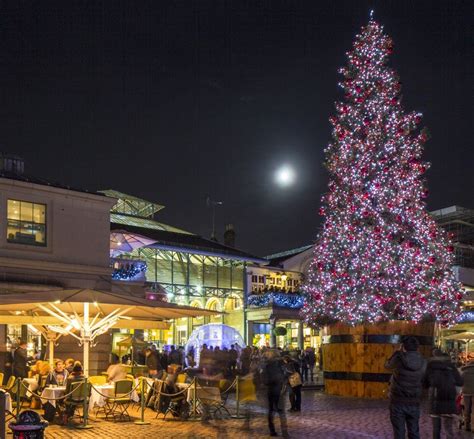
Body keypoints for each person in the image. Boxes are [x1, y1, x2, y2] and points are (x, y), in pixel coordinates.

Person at [385, 336, 426, 439]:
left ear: (403, 346)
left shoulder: (399, 358)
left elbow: (387, 365)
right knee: (414, 431)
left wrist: (396, 352)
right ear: (417, 347)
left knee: (399, 432)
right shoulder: (423, 361)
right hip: (414, 401)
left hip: (398, 401)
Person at [423, 348, 463, 439]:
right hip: (449, 400)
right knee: (449, 428)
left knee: (436, 428)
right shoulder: (451, 366)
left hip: (435, 400)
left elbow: (424, 383)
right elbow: (460, 381)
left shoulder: (431, 366)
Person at [263, 349, 288, 438]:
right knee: (280, 411)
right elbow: (285, 375)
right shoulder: (281, 364)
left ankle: (272, 430)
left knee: (272, 410)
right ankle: (284, 431)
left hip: (272, 389)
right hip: (278, 389)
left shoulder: (267, 365)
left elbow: (265, 380)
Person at [461, 358, 474, 431]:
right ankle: (473, 427)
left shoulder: (464, 372)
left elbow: (460, 381)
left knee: (467, 409)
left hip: (466, 392)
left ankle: (466, 425)